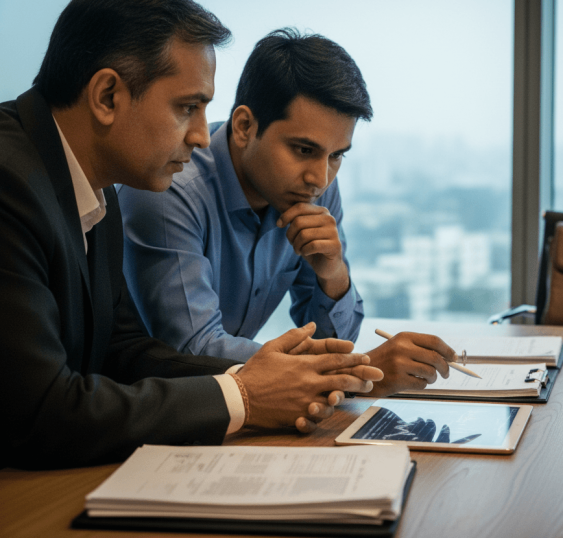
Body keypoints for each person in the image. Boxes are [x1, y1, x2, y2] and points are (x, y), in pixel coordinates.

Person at [0, 0, 382, 470]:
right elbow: (41, 413)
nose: (204, 136)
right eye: (188, 108)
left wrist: (283, 377)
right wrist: (244, 394)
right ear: (108, 96)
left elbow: (125, 351)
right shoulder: (10, 183)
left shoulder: (96, 191)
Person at [119, 28, 459, 396]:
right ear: (245, 126)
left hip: (239, 404)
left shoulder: (315, 188)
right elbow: (194, 349)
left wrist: (333, 274)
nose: (320, 177)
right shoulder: (172, 190)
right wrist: (360, 370)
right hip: (149, 412)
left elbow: (335, 340)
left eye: (337, 155)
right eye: (303, 150)